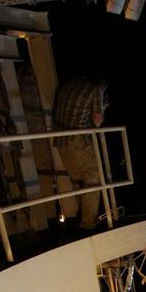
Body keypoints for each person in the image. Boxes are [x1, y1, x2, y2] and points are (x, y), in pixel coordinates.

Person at [53, 76, 109, 231]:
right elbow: (97, 121)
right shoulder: (95, 89)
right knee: (93, 177)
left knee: (77, 179)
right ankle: (88, 222)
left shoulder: (69, 84)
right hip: (76, 138)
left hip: (60, 138)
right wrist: (102, 109)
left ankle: (82, 216)